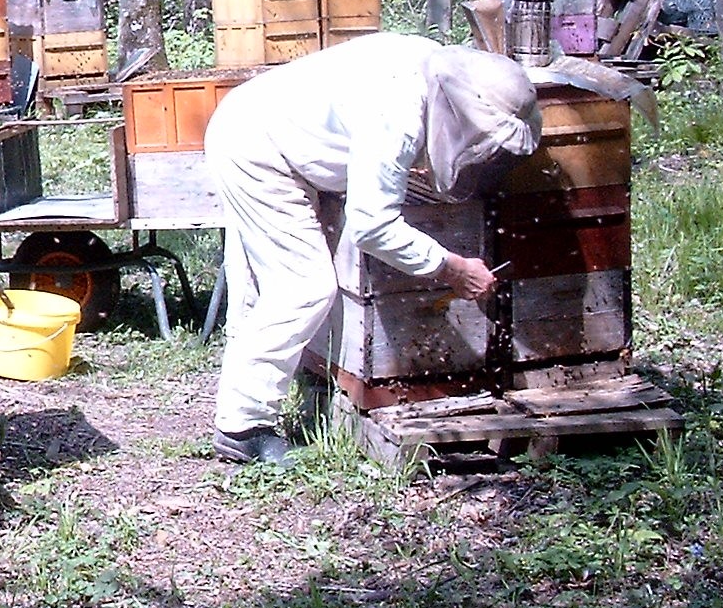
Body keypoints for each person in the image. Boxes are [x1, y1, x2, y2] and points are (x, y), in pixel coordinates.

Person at [203, 33, 541, 464]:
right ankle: (243, 428)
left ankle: (246, 401)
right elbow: (372, 225)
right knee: (302, 287)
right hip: (256, 148)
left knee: (266, 288)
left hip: (266, 127)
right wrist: (452, 268)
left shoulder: (440, 70)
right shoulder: (396, 113)